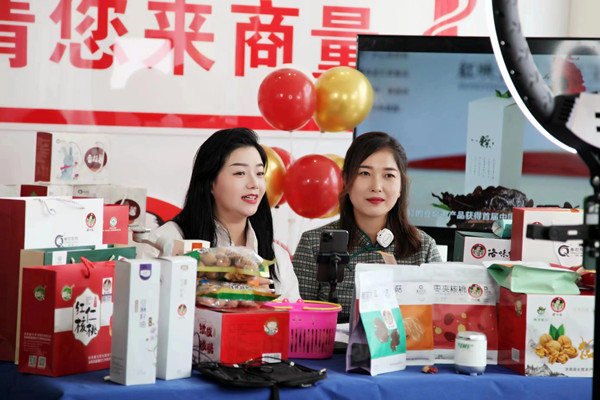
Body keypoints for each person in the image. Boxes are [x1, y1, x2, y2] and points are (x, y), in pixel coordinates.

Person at [292, 131, 442, 322]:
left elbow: (438, 322)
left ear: (401, 186)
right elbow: (298, 322)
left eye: (388, 175)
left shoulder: (423, 248)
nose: (376, 186)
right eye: (364, 173)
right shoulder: (314, 243)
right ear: (346, 180)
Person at [143, 127, 300, 301]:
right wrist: (223, 289)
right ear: (210, 182)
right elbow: (144, 302)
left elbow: (293, 312)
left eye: (259, 173)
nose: (254, 184)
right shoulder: (166, 241)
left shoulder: (278, 257)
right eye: (240, 173)